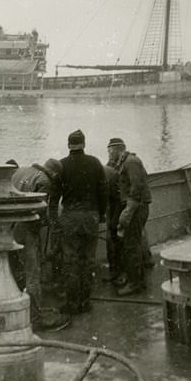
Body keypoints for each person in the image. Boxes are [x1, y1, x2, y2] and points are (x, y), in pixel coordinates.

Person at [10, 159, 70, 332]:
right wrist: (44, 227)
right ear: (56, 174)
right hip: (25, 230)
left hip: (8, 228)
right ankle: (35, 319)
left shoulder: (20, 170)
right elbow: (39, 211)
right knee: (33, 273)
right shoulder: (44, 181)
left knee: (14, 272)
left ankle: (18, 311)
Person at [56, 129, 107, 317]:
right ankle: (85, 302)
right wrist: (101, 214)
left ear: (69, 145)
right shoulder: (95, 163)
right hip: (91, 216)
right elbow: (103, 191)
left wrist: (54, 219)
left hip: (70, 217)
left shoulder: (61, 165)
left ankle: (72, 303)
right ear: (83, 144)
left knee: (71, 261)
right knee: (88, 260)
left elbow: (54, 196)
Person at [107, 138, 154, 296]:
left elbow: (137, 188)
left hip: (136, 209)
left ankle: (135, 284)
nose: (108, 154)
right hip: (136, 208)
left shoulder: (130, 162)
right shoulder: (126, 162)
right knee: (132, 244)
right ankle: (136, 279)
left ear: (117, 149)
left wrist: (125, 215)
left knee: (131, 246)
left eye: (110, 150)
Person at [102, 161, 123, 283]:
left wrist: (114, 220)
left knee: (113, 239)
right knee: (112, 239)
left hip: (117, 207)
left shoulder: (108, 176)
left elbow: (118, 199)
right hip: (112, 206)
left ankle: (117, 272)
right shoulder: (107, 171)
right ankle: (115, 271)